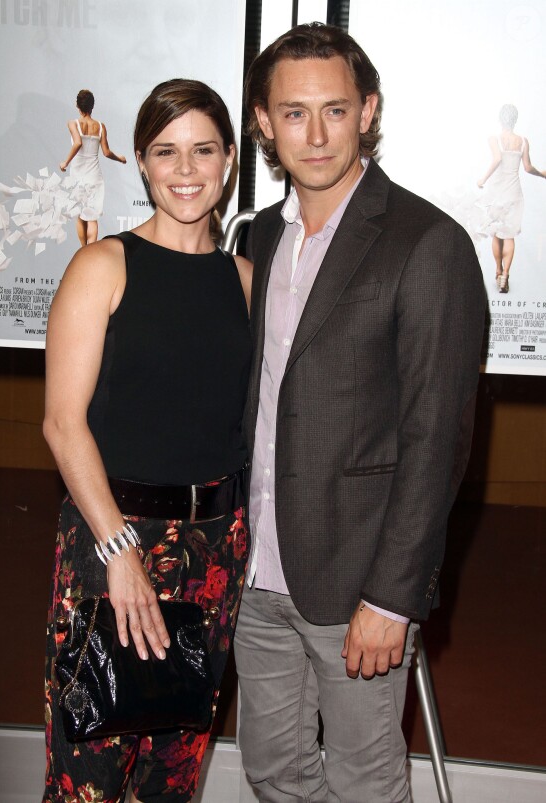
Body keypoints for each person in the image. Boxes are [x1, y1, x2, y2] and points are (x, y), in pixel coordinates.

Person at [234, 22, 486, 803]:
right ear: (263, 122)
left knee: (365, 784)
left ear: (368, 110)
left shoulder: (427, 242)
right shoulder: (258, 237)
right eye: (295, 112)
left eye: (336, 110)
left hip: (358, 582)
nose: (316, 134)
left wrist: (394, 595)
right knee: (273, 772)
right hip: (256, 574)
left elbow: (436, 434)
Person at [43, 79, 252, 803]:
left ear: (230, 159)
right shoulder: (102, 266)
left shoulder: (247, 281)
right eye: (166, 151)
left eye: (202, 149)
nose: (185, 169)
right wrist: (118, 550)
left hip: (214, 550)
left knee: (173, 773)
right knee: (90, 772)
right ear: (139, 161)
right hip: (113, 537)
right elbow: (63, 424)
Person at [477, 103, 546, 293]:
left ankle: (498, 270)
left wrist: (483, 178)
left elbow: (497, 158)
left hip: (497, 192)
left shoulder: (495, 139)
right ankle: (505, 274)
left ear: (500, 119)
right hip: (515, 193)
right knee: (509, 236)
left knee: (496, 234)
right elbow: (528, 167)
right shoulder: (523, 141)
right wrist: (542, 174)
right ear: (515, 120)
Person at [59, 89, 127, 246]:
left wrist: (65, 162)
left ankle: (84, 250)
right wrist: (120, 159)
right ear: (92, 106)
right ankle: (90, 251)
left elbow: (77, 143)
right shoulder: (101, 126)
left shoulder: (73, 123)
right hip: (94, 175)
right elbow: (106, 152)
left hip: (78, 175)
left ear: (77, 105)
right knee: (92, 217)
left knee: (80, 215)